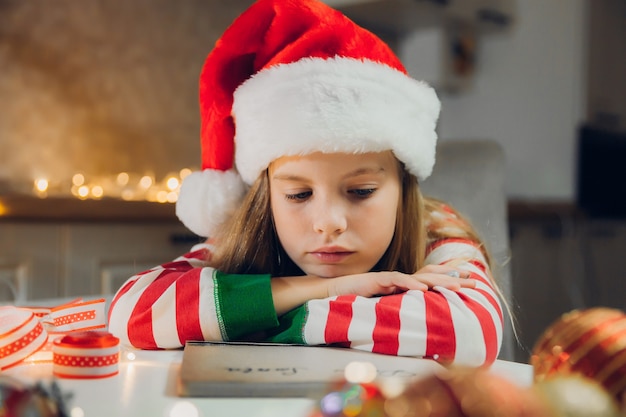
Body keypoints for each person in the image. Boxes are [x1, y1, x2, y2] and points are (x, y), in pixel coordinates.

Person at [108, 0, 504, 366]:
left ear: (403, 190)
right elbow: (131, 313)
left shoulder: (437, 226)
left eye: (361, 191)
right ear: (268, 198)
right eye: (298, 194)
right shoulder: (257, 232)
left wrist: (249, 317)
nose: (328, 222)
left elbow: (472, 331)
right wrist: (327, 289)